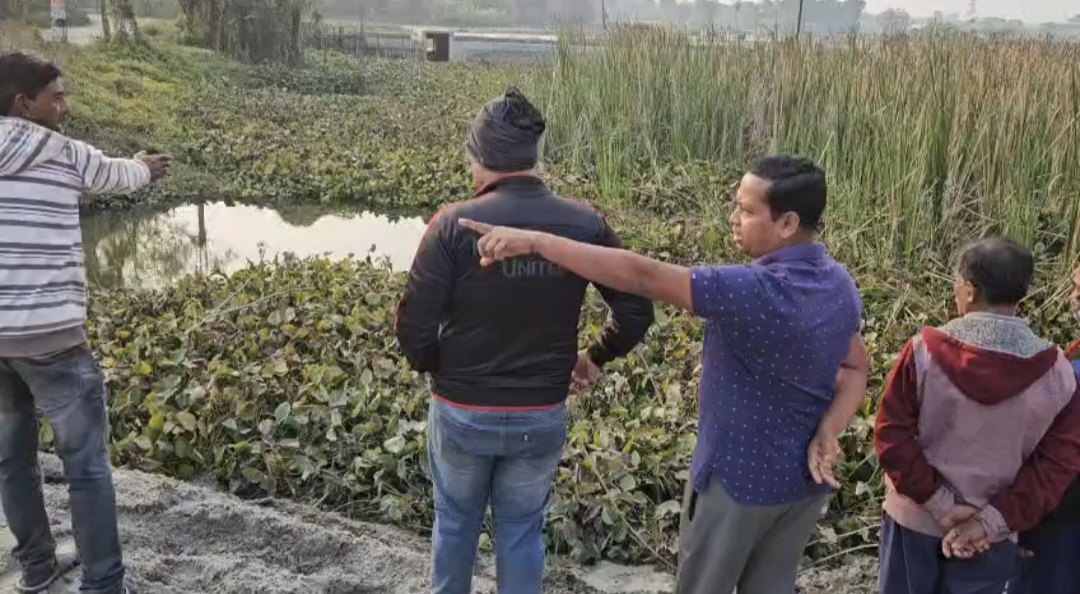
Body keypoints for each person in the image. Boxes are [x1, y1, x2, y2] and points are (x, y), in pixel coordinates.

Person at [458, 155, 871, 594]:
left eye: (747, 211)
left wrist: (536, 241)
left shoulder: (753, 291)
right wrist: (829, 430)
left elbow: (642, 275)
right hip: (800, 490)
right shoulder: (838, 284)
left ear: (787, 223)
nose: (733, 219)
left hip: (735, 487)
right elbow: (856, 367)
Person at [394, 87, 654, 594]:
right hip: (540, 411)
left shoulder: (451, 224)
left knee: (455, 525)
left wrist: (441, 369)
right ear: (533, 156)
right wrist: (594, 356)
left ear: (479, 156)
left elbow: (413, 328)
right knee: (520, 532)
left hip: (462, 410)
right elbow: (636, 310)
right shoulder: (585, 224)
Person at [0, 52, 171, 594]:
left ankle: (37, 570)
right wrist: (145, 166)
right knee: (87, 466)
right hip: (53, 342)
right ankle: (103, 584)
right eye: (57, 98)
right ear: (24, 104)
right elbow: (119, 176)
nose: (66, 106)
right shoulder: (66, 154)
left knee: (11, 462)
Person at [874, 237, 1080, 594]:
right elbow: (1057, 465)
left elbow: (891, 436)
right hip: (992, 536)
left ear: (969, 291)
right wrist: (990, 522)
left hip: (914, 522)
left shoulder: (923, 351)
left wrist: (941, 504)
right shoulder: (1056, 371)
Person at [1011, 266, 1080, 594]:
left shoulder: (1069, 378)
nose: (1072, 297)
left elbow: (1047, 458)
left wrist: (1012, 519)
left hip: (1060, 519)